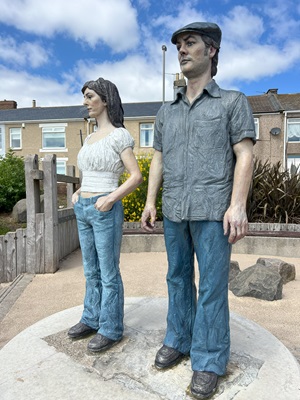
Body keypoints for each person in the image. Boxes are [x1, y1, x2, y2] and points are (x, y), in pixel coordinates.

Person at [141, 22, 255, 399]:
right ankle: (179, 339)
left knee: (210, 287)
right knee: (176, 278)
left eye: (190, 44)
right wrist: (149, 201)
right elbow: (157, 158)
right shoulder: (165, 111)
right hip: (175, 209)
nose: (182, 50)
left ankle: (208, 360)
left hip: (213, 210)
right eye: (179, 46)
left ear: (212, 51)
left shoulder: (233, 102)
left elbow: (245, 154)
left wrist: (237, 205)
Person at [68, 77, 142, 353]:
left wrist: (110, 198)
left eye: (90, 97)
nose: (85, 102)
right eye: (85, 97)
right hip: (84, 207)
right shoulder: (89, 137)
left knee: (109, 272)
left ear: (106, 100)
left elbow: (135, 176)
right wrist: (78, 191)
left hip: (104, 208)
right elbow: (89, 173)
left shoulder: (119, 136)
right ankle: (91, 318)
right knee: (90, 270)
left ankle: (111, 328)